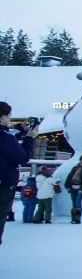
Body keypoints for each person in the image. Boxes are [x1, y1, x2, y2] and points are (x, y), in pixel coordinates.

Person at [0, 105, 36, 245]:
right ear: (3, 116)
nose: (10, 118)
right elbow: (23, 158)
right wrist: (29, 138)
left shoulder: (6, 136)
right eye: (9, 115)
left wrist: (20, 129)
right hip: (3, 185)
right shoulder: (5, 138)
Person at [64, 152, 82, 224]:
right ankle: (73, 218)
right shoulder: (75, 168)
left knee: (78, 202)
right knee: (74, 202)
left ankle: (77, 219)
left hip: (81, 188)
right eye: (81, 160)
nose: (81, 162)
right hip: (73, 187)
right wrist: (68, 186)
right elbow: (69, 177)